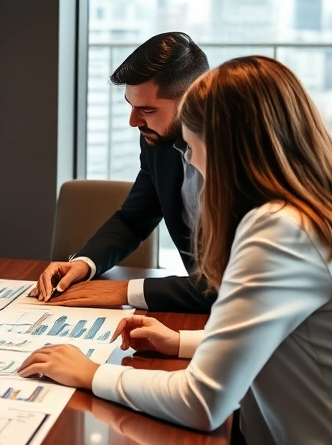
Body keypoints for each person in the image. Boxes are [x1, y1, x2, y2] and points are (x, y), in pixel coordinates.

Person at [20, 56, 332, 444]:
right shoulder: (321, 212)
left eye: (190, 146)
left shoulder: (281, 230)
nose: (188, 159)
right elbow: (279, 334)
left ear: (226, 148)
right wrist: (180, 342)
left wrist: (89, 373)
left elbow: (202, 404)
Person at [33, 32, 213, 313]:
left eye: (147, 110)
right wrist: (83, 264)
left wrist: (123, 291)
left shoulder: (239, 161)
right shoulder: (157, 141)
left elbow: (234, 285)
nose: (133, 122)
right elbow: (134, 218)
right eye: (131, 106)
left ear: (192, 101)